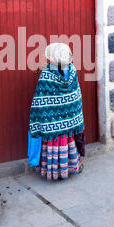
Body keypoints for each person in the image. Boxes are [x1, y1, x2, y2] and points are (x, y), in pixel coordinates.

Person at [29, 43, 85, 181]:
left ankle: (55, 171)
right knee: (68, 139)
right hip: (71, 120)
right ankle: (70, 167)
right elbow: (75, 94)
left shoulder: (47, 75)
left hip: (52, 125)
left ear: (51, 58)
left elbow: (41, 100)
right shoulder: (73, 70)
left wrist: (38, 117)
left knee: (54, 140)